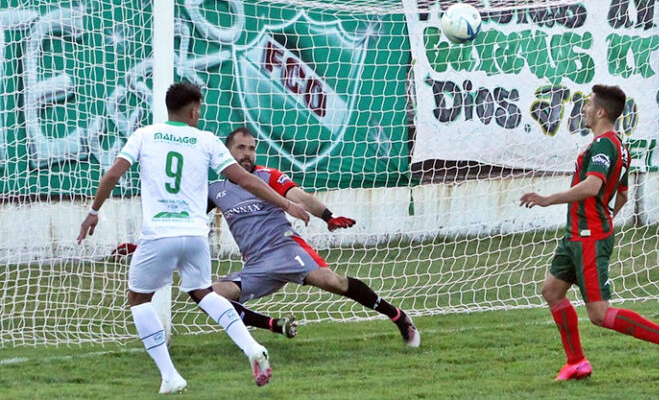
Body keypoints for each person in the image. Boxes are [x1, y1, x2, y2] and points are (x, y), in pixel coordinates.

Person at [77, 83, 311, 394]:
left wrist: (94, 211)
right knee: (204, 292)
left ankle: (170, 376)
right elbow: (245, 179)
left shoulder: (144, 135)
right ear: (193, 110)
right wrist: (287, 204)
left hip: (160, 233)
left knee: (138, 299)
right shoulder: (206, 140)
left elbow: (112, 175)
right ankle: (252, 347)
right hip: (195, 236)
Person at [519, 85, 659, 381]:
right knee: (552, 291)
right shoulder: (620, 147)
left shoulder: (603, 146)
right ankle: (576, 362)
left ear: (600, 112)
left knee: (599, 315)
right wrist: (603, 219)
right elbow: (621, 196)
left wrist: (548, 199)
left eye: (587, 105)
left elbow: (593, 186)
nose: (583, 109)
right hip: (578, 234)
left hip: (588, 237)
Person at [206, 127, 420, 347]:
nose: (247, 154)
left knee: (332, 281)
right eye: (240, 148)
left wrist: (328, 216)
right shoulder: (215, 190)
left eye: (252, 148)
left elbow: (298, 196)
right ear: (226, 151)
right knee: (210, 295)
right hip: (256, 265)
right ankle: (274, 325)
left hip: (285, 248)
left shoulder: (267, 176)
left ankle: (398, 316)